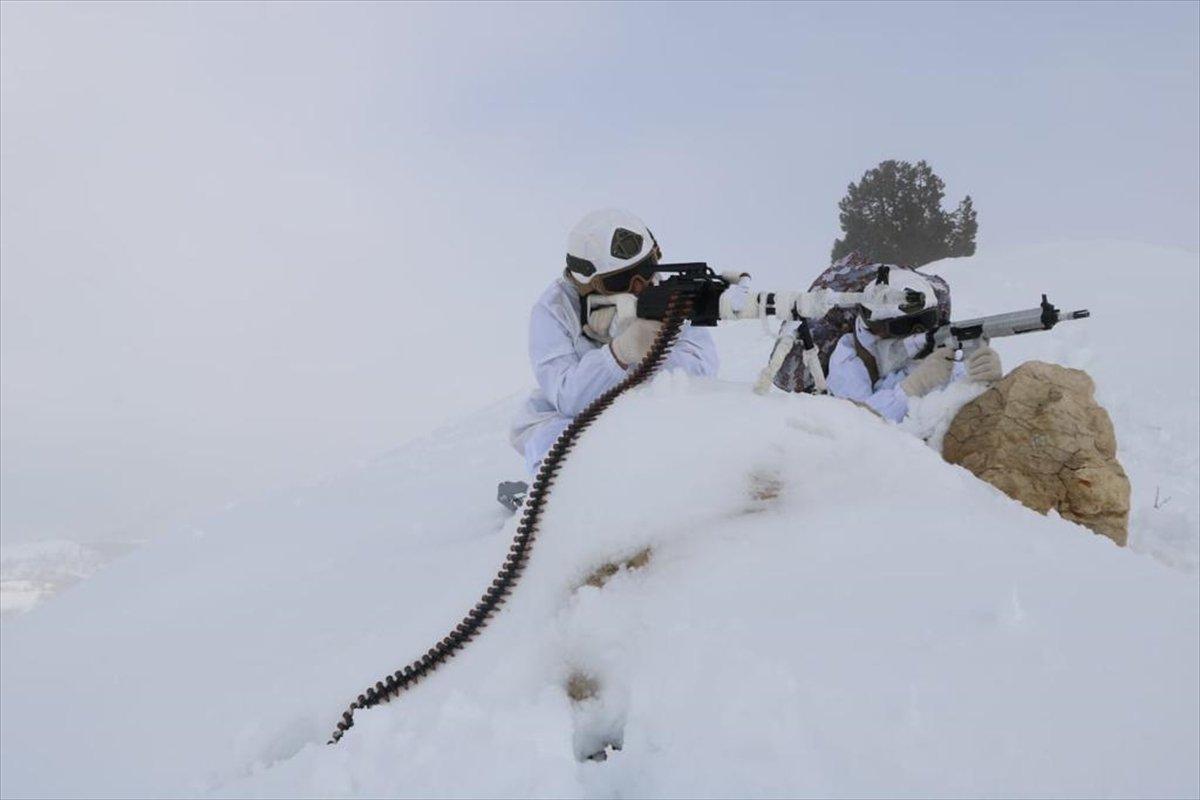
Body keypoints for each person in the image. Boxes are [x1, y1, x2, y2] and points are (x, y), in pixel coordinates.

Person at [508, 208, 719, 480]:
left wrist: (657, 349)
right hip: (577, 421)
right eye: (621, 281)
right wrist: (619, 353)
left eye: (646, 271)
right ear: (587, 284)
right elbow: (566, 396)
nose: (639, 287)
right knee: (553, 443)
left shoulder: (671, 295)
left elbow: (702, 373)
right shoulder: (555, 310)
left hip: (654, 412)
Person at [825, 266, 1003, 421]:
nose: (918, 331)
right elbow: (857, 424)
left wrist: (982, 380)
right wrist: (910, 390)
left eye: (926, 320)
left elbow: (966, 402)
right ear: (876, 328)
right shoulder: (849, 360)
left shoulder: (936, 341)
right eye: (903, 325)